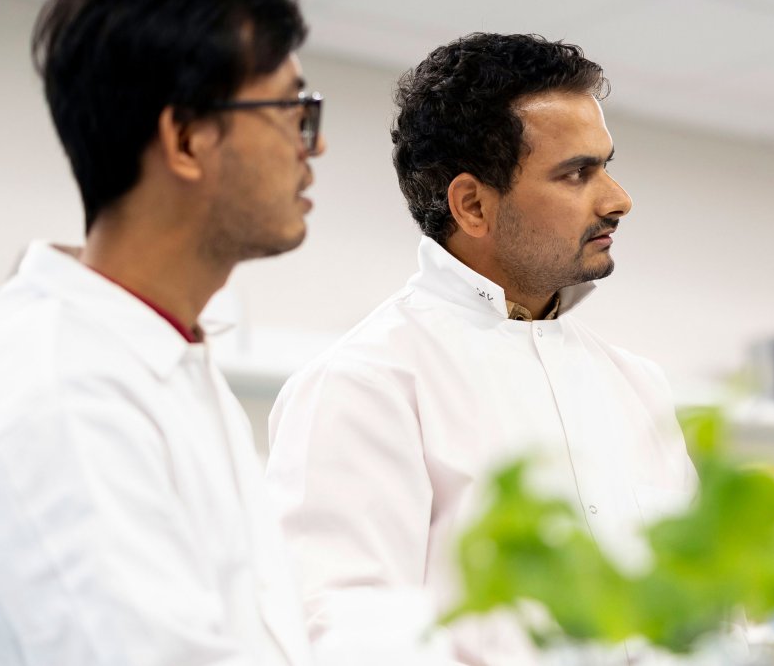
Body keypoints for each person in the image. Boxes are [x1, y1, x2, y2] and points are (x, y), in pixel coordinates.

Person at [0, 0, 326, 662]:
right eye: (290, 113)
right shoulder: (62, 395)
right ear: (187, 138)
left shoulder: (163, 359)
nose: (314, 148)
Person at [265, 33, 695, 664]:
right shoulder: (367, 382)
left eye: (606, 164)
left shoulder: (638, 386)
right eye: (578, 173)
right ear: (472, 205)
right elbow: (347, 635)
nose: (617, 199)